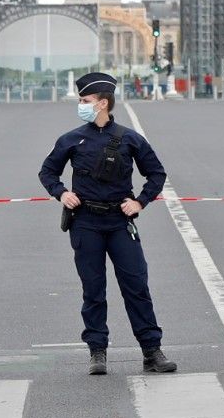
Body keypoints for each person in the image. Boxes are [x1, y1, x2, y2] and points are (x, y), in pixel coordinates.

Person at [39, 71, 178, 376]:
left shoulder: (129, 139)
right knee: (94, 289)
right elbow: (47, 172)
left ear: (102, 103)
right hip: (85, 222)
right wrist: (62, 193)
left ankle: (152, 351)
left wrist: (140, 201)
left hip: (119, 222)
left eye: (85, 100)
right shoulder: (71, 139)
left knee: (137, 286)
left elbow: (156, 173)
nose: (81, 105)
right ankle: (97, 351)